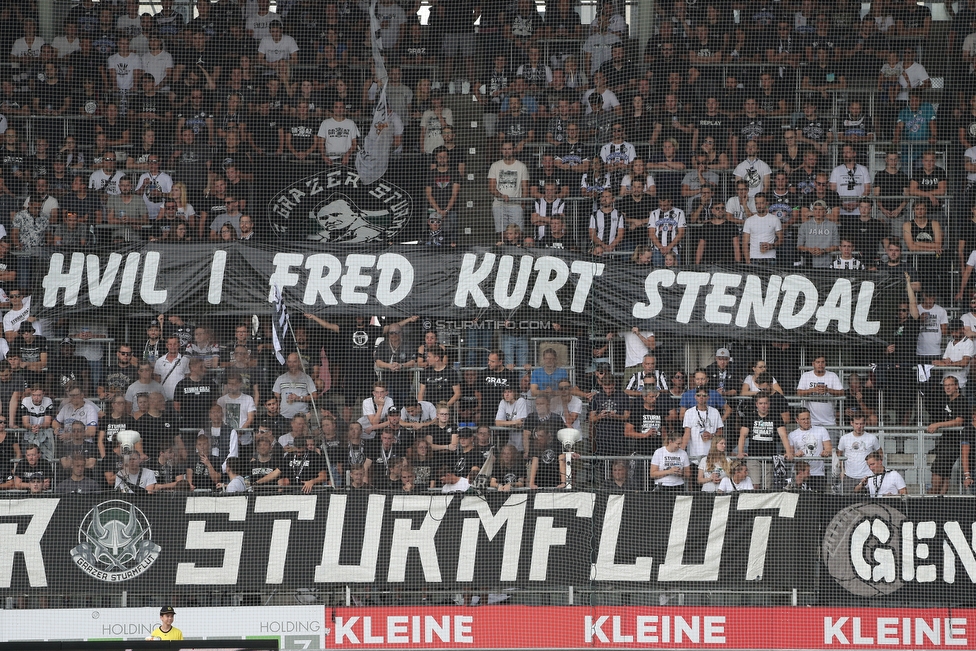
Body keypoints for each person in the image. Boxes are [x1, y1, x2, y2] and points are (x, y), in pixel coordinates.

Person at [787, 409, 832, 492]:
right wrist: (796, 455)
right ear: (797, 420)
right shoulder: (792, 435)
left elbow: (829, 448)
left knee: (818, 500)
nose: (806, 421)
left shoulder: (821, 430)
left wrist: (826, 452)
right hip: (800, 474)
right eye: (803, 419)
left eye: (808, 418)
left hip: (818, 472)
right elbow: (790, 455)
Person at [796, 354, 844, 428]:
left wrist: (827, 390)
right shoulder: (806, 375)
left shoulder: (832, 375)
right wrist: (813, 390)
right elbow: (799, 393)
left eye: (822, 362)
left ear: (825, 363)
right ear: (813, 364)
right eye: (818, 362)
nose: (820, 364)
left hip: (829, 421)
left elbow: (841, 392)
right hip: (811, 422)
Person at [837, 414, 881, 493]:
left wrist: (875, 469)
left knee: (868, 502)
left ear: (865, 424)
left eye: (861, 424)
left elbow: (880, 453)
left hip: (867, 476)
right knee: (848, 502)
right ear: (852, 423)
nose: (859, 426)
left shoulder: (872, 438)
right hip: (849, 476)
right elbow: (839, 455)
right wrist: (842, 470)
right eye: (856, 424)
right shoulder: (844, 438)